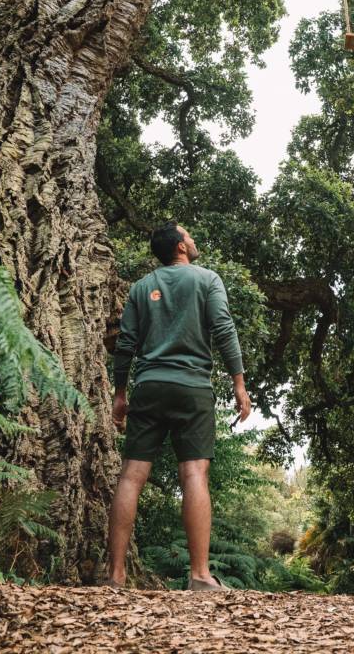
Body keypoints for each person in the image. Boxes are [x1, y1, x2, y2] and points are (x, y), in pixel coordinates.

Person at [103, 220, 251, 590]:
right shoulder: (207, 280)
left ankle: (115, 575)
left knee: (131, 477)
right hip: (193, 389)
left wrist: (120, 394)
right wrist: (239, 383)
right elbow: (223, 328)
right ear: (181, 247)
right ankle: (200, 576)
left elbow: (126, 345)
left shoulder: (141, 288)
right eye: (189, 234)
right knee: (195, 475)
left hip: (149, 386)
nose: (194, 238)